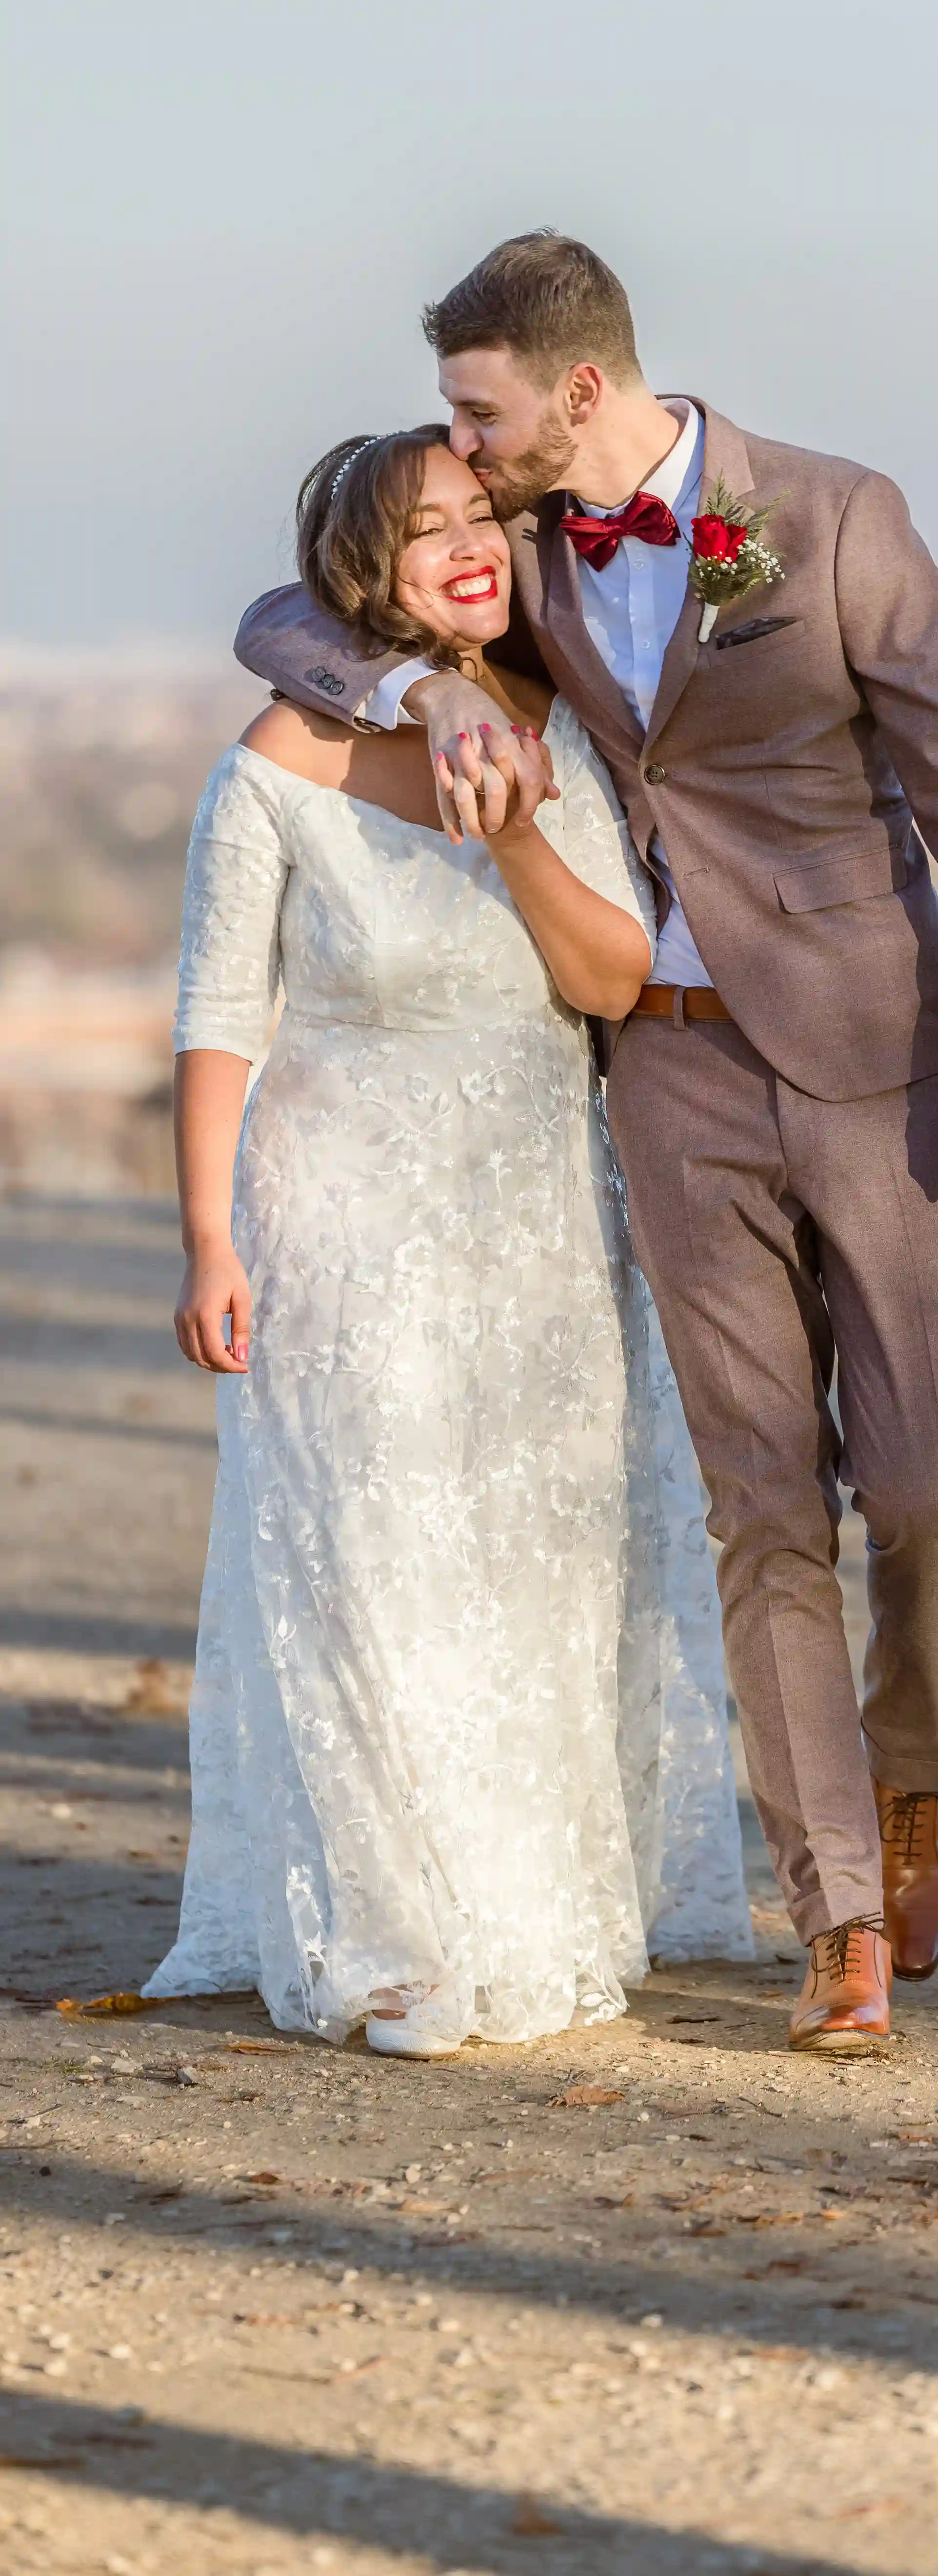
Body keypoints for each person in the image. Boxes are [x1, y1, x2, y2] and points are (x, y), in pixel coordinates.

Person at [235, 231, 938, 2057]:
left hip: (890, 1067)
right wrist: (428, 689)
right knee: (762, 1502)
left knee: (923, 1488)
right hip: (670, 1077)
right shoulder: (513, 555)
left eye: (480, 406)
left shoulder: (834, 519)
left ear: (581, 391)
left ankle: (908, 1778)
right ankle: (837, 1911)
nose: (456, 437)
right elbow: (288, 615)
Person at [147, 427, 752, 2057]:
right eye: (428, 529)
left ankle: (532, 1905)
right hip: (337, 1218)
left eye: (485, 512)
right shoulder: (277, 759)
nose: (470, 541)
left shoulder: (565, 730)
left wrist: (514, 837)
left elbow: (617, 979)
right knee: (372, 1565)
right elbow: (219, 1017)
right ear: (366, 569)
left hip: (540, 1222)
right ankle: (394, 1937)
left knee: (537, 1568)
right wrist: (210, 1237)